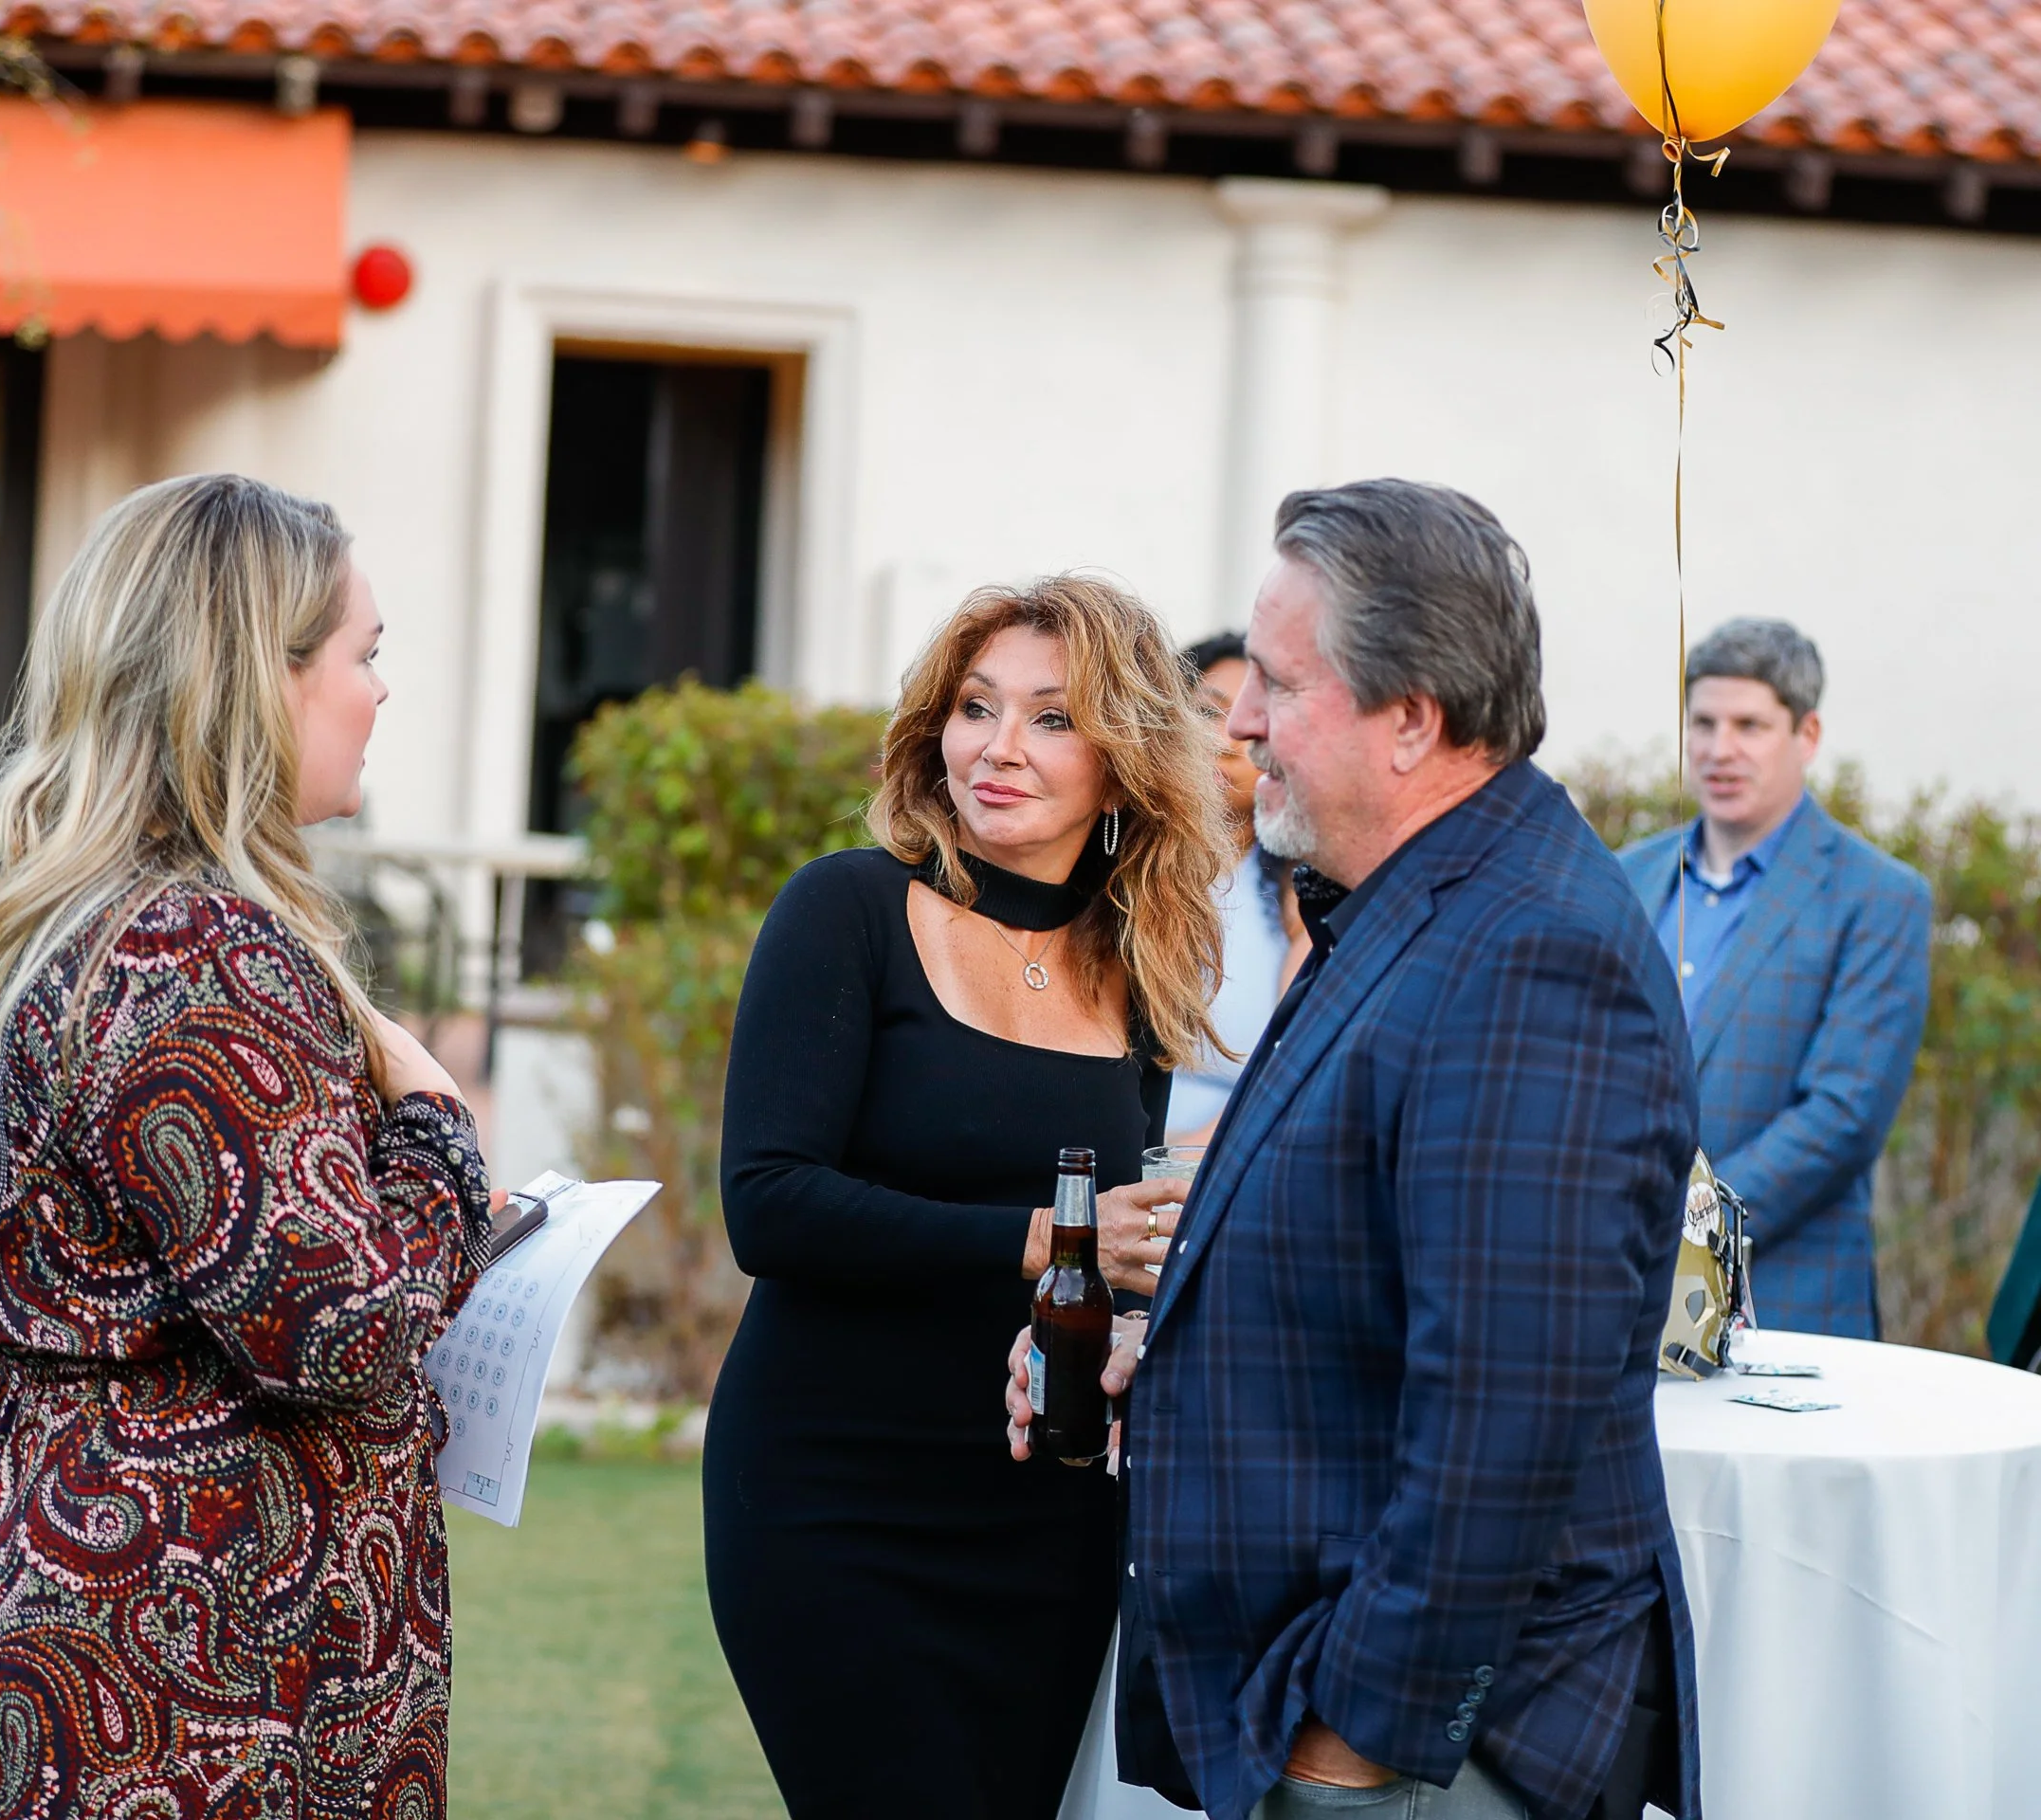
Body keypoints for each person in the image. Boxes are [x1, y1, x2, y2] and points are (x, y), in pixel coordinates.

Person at [1011, 481, 1704, 1820]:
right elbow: (1360, 1252)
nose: (1243, 720)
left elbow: (1505, 1418)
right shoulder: (1403, 904)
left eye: (1278, 682)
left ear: (1413, 718)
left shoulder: (1530, 955)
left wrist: (1351, 1750)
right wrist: (1145, 1348)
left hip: (1423, 1760)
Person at [0, 475, 496, 1818]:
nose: (381, 692)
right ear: (259, 675)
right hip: (193, 1624)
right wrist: (432, 1130)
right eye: (366, 654)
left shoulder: (51, 921)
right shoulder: (191, 949)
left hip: (68, 1551)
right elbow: (344, 1329)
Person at [706, 574, 1231, 1818]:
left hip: (1045, 1511)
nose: (998, 747)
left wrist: (1139, 1312)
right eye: (976, 706)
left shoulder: (1138, 965)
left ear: (1124, 758)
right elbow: (768, 1207)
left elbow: (1113, 1260)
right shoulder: (847, 911)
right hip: (833, 1497)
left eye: (1052, 718)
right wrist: (1053, 1237)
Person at [1618, 618, 1930, 1338]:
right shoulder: (1628, 876)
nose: (1720, 749)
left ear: (1807, 735)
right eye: (1703, 722)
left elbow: (1841, 1118)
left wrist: (1686, 1225)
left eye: (1750, 725)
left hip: (1788, 1301)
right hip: (1614, 1293)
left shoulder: (1879, 896)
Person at [1165, 632, 1313, 1145]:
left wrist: (1180, 1159)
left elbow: (1290, 1068)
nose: (1225, 742)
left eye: (1253, 727)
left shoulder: (1302, 888)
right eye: (1209, 712)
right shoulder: (1111, 866)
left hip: (1224, 1159)